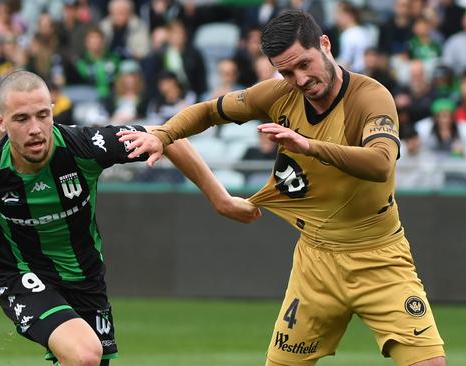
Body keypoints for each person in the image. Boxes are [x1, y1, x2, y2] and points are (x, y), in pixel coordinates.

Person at [118, 10, 445, 366]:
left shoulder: (370, 97)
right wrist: (163, 136)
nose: (300, 79)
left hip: (380, 257)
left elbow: (382, 163)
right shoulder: (277, 94)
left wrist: (308, 146)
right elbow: (210, 111)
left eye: (305, 64)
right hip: (315, 262)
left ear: (324, 44)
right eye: (287, 72)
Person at [0, 70, 259, 366]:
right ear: (1, 122)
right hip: (21, 275)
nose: (35, 129)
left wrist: (220, 198)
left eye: (42, 115)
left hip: (86, 279)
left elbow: (164, 136)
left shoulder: (84, 147)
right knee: (85, 355)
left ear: (53, 111)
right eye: (21, 119)